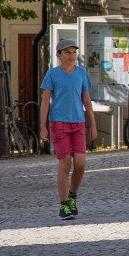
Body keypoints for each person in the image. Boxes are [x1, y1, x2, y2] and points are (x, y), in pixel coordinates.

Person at [38, 39, 98, 221]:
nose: (71, 56)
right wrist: (43, 126)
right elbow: (45, 102)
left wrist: (93, 124)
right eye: (67, 53)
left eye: (73, 53)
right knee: (65, 163)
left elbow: (86, 100)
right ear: (59, 55)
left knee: (80, 163)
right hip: (59, 123)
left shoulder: (81, 73)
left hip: (78, 123)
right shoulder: (52, 74)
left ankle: (72, 196)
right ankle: (64, 205)